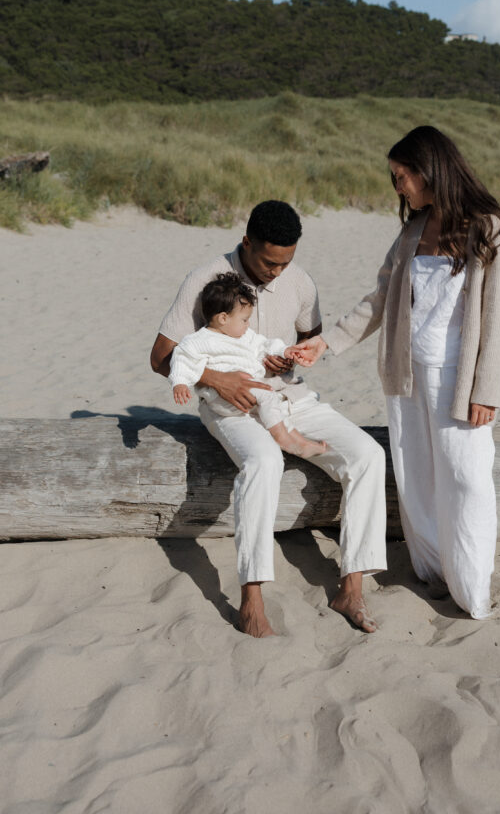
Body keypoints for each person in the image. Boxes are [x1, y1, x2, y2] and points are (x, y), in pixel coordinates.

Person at [296, 127, 500, 619]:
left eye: (402, 176)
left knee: (467, 477)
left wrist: (488, 391)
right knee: (416, 475)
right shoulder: (411, 230)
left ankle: (471, 587)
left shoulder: (488, 228)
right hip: (406, 375)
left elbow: (499, 319)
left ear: (430, 170)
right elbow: (379, 299)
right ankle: (433, 571)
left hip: (458, 381)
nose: (397, 187)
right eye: (395, 178)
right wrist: (326, 342)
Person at [150, 200, 387, 638]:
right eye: (268, 262)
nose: (277, 271)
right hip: (230, 404)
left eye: (286, 263)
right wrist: (219, 379)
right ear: (246, 243)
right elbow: (162, 356)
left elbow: (309, 343)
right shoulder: (205, 278)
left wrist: (293, 357)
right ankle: (252, 597)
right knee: (264, 463)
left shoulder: (300, 283)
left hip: (290, 397)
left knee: (369, 455)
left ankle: (350, 588)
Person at [169, 271, 328, 460]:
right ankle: (285, 439)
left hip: (248, 396)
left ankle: (298, 440)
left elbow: (265, 344)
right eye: (244, 319)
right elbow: (182, 358)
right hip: (224, 397)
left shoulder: (245, 336)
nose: (247, 324)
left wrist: (284, 351)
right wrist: (179, 382)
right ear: (223, 318)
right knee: (269, 396)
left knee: (272, 405)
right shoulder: (199, 340)